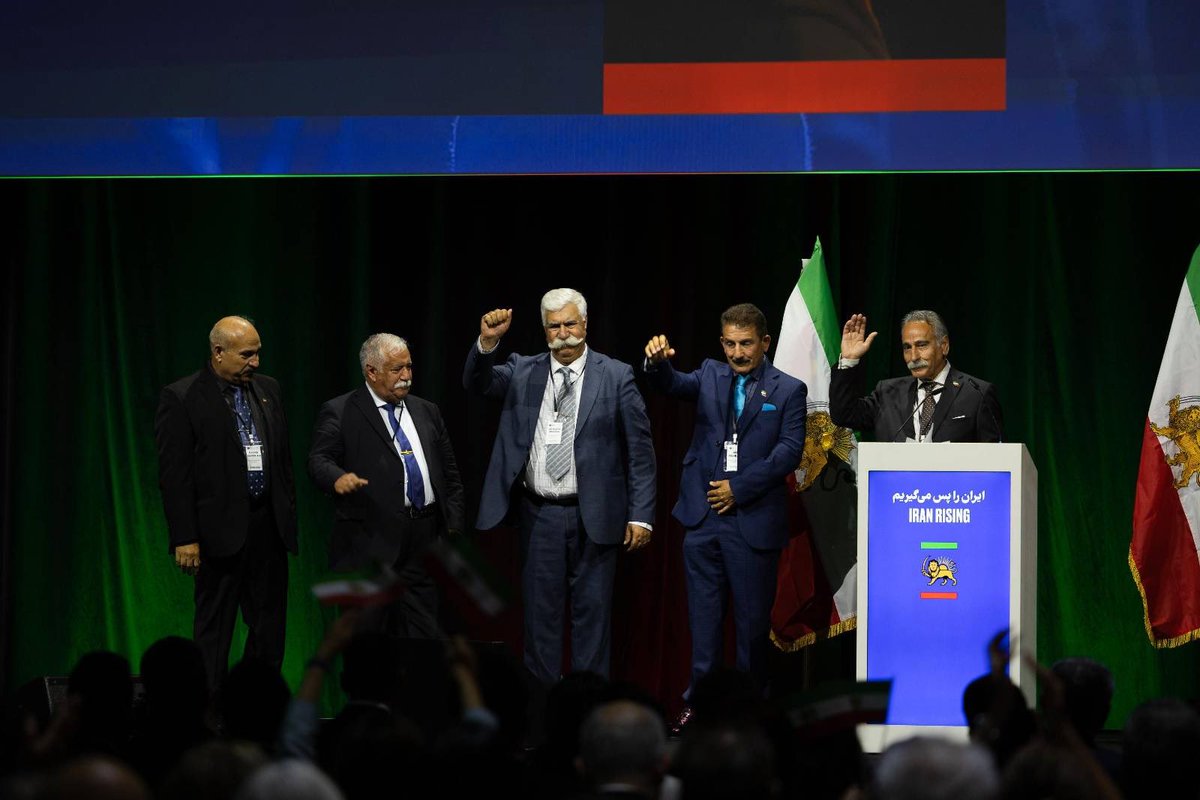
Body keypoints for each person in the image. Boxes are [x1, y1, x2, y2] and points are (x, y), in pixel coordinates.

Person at [464, 288, 656, 684]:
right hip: (541, 517)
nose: (564, 335)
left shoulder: (616, 375)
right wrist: (487, 343)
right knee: (540, 624)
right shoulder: (522, 369)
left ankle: (586, 721)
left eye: (571, 324)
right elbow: (477, 382)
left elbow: (640, 452)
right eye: (554, 327)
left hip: (596, 518)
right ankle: (542, 724)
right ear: (544, 329)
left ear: (585, 324)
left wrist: (641, 515)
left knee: (592, 626)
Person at [643, 303, 807, 724]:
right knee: (704, 626)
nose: (737, 353)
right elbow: (671, 384)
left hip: (751, 522)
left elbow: (788, 453)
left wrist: (740, 488)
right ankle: (699, 707)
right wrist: (655, 363)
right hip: (702, 521)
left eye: (746, 344)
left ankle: (749, 713)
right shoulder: (709, 375)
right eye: (730, 344)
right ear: (721, 343)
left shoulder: (789, 390)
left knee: (752, 631)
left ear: (765, 342)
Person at [155, 316, 297, 690]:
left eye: (258, 353)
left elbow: (282, 460)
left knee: (269, 631)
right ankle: (208, 716)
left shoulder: (269, 390)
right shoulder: (183, 396)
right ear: (218, 352)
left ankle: (255, 709)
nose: (256, 362)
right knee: (214, 635)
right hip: (218, 534)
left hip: (268, 528)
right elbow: (175, 476)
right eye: (247, 355)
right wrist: (185, 536)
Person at [308, 333, 465, 637]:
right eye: (397, 370)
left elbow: (450, 474)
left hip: (425, 542)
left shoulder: (427, 410)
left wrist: (452, 527)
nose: (406, 377)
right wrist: (337, 477)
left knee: (425, 638)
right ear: (371, 371)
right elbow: (318, 459)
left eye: (409, 367)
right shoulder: (340, 411)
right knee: (369, 644)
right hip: (370, 542)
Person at [830, 310, 1002, 442]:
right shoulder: (888, 392)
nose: (913, 357)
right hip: (897, 489)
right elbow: (843, 415)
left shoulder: (976, 393)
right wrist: (849, 360)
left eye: (921, 345)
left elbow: (996, 458)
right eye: (907, 347)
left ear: (944, 346)